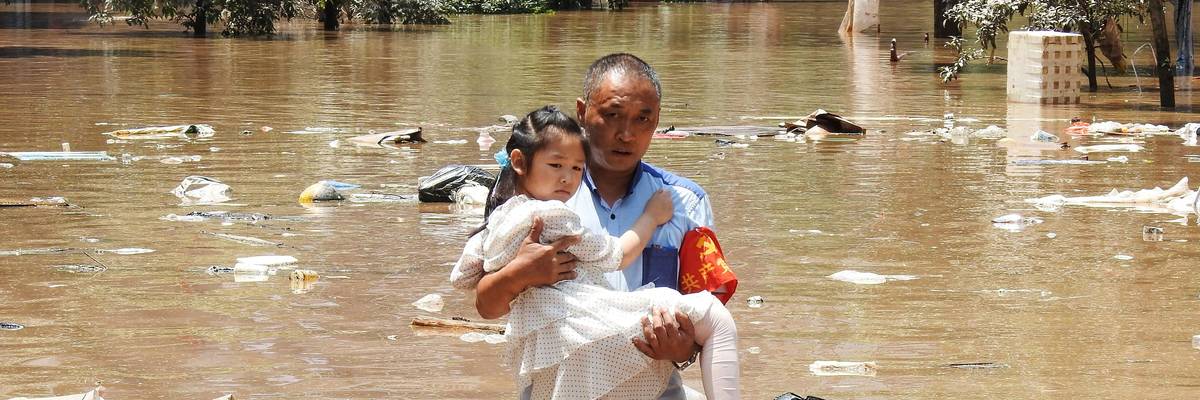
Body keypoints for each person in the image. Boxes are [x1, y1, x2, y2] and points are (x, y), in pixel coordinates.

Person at [473, 53, 731, 400]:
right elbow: (486, 306)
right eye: (612, 115)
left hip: (653, 388)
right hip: (561, 386)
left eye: (643, 119)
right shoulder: (536, 198)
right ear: (582, 112)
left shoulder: (686, 204)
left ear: (657, 121)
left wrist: (682, 349)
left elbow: (702, 321)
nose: (626, 134)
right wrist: (519, 274)